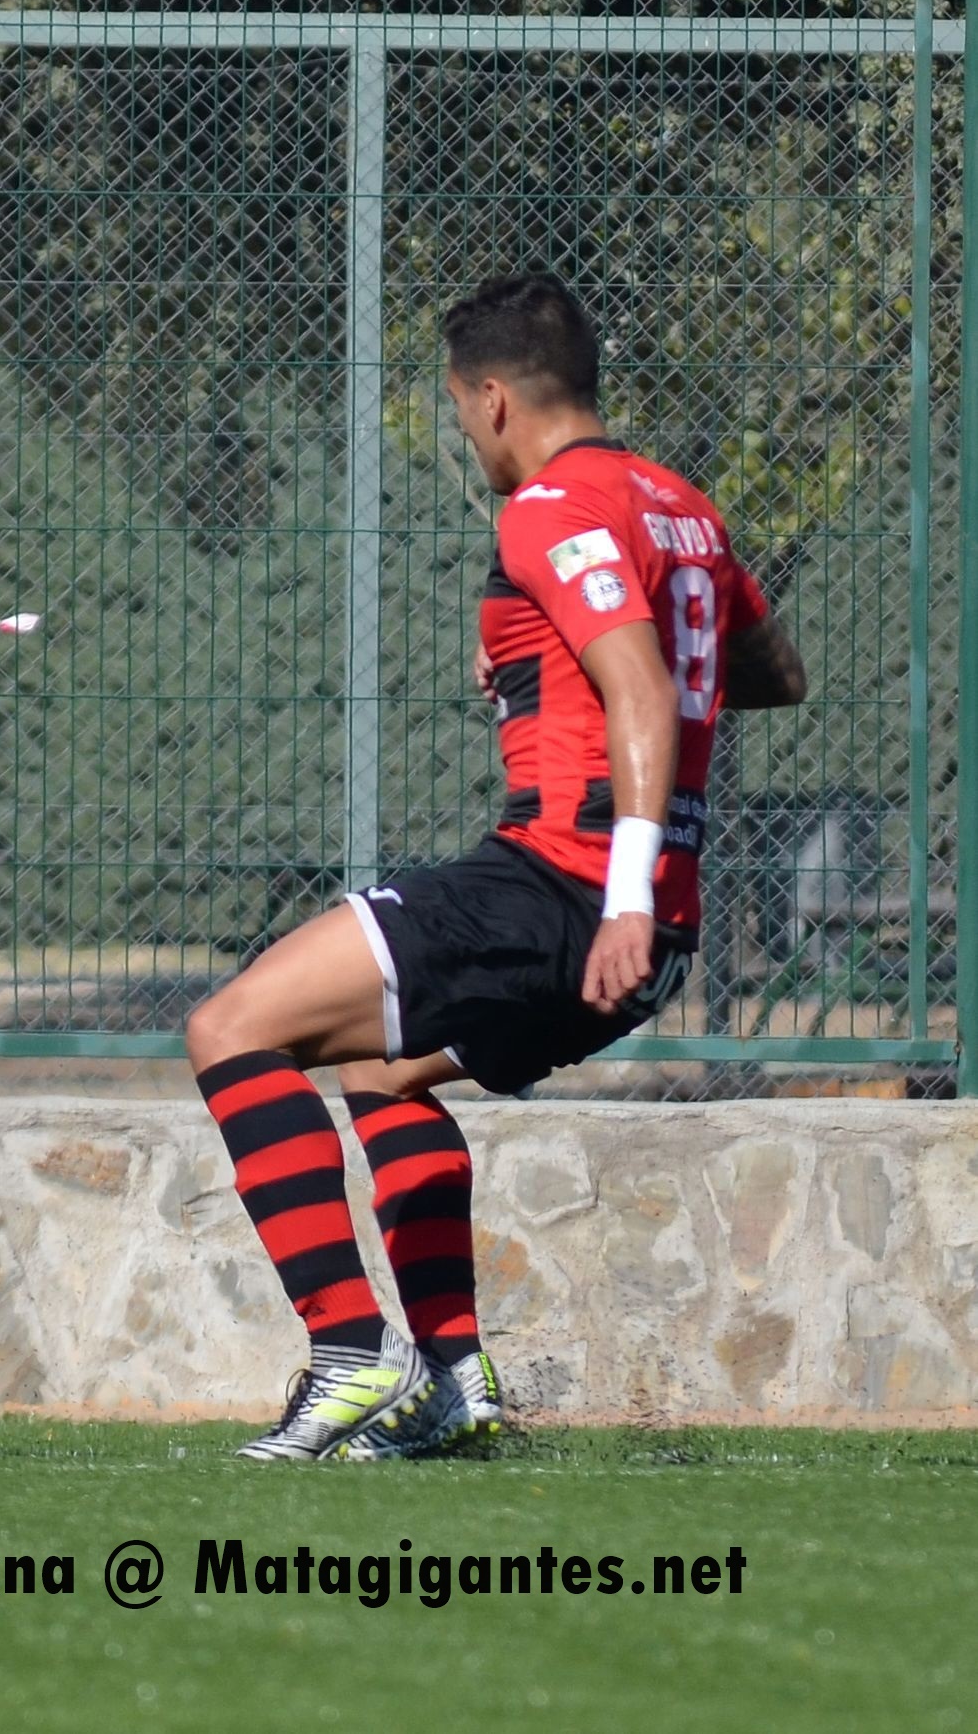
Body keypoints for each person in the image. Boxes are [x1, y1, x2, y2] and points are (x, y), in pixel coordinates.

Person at [179, 272, 807, 1462]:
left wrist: (614, 883)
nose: (466, 431)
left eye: (460, 409)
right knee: (378, 1074)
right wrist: (542, 663)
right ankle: (453, 1383)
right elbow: (769, 672)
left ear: (492, 398)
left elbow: (634, 686)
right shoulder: (680, 507)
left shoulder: (548, 506)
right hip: (653, 919)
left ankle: (348, 1355)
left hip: (562, 887)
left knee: (229, 1028)